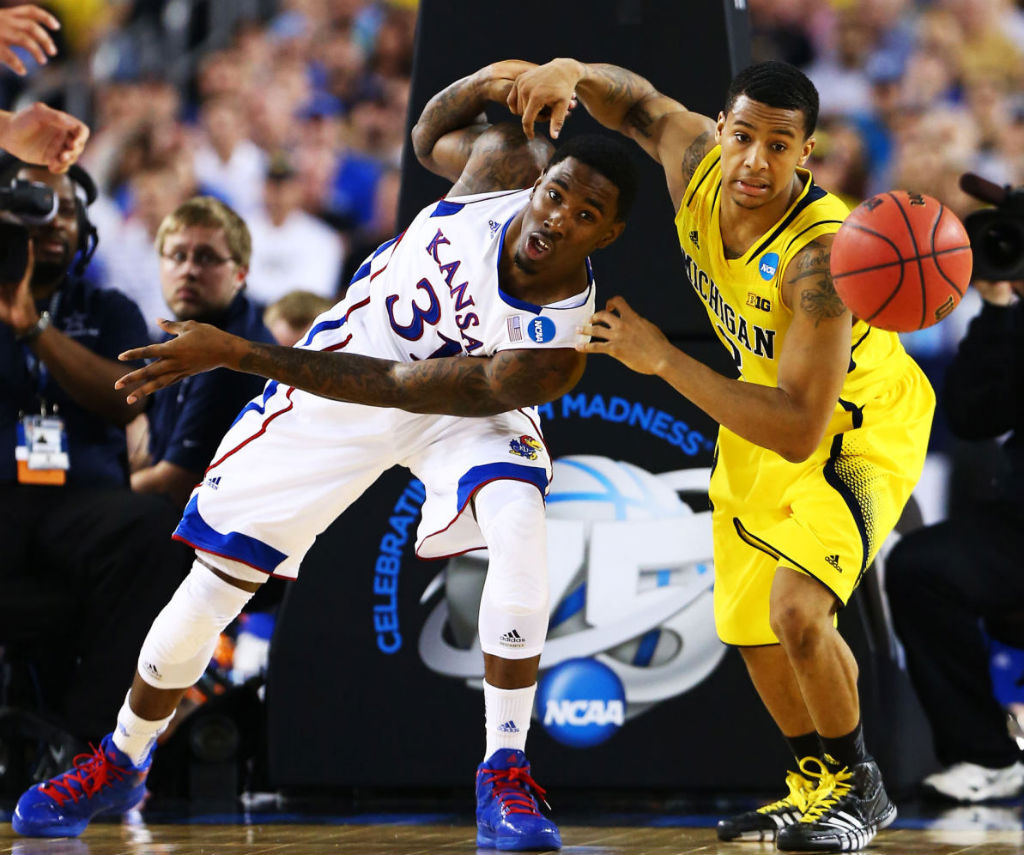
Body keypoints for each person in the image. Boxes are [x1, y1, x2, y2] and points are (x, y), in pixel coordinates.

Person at [12, 60, 636, 851]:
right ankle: (122, 758)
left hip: (442, 398)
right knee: (211, 586)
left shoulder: (554, 352)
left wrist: (238, 351)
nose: (558, 217)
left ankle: (504, 771)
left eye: (586, 215)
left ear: (605, 235)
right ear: (541, 181)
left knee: (519, 517)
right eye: (558, 194)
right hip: (348, 370)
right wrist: (486, 82)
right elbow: (427, 134)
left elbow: (405, 386)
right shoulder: (506, 168)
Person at [507, 59, 934, 852]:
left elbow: (802, 428)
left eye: (779, 146)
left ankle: (859, 786)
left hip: (855, 430)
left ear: (806, 155)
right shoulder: (698, 163)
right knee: (751, 631)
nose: (753, 161)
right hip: (761, 405)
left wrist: (662, 357)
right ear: (723, 129)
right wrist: (569, 71)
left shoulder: (820, 264)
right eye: (743, 136)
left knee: (797, 610)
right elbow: (634, 101)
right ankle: (812, 787)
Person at [0, 161, 191, 748]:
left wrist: (33, 330)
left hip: (79, 507)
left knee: (157, 530)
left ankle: (87, 743)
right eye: (37, 206)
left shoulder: (108, 310)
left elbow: (126, 399)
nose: (56, 220)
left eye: (68, 208)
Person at [886, 278, 1024, 803]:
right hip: (1017, 526)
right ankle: (988, 756)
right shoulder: (1015, 317)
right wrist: (995, 309)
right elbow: (972, 417)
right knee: (921, 567)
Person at [130, 197, 275, 508]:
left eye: (207, 258)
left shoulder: (232, 351)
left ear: (240, 273)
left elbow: (176, 483)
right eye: (178, 255)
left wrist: (101, 492)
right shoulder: (180, 332)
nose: (189, 270)